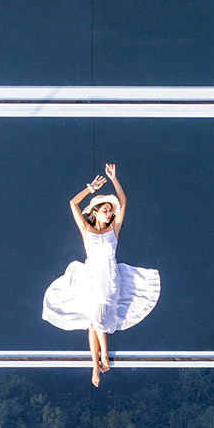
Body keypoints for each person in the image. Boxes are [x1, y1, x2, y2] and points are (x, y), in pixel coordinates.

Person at [42, 163, 160, 386]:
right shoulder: (87, 231)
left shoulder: (113, 231)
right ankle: (98, 363)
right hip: (90, 277)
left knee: (98, 319)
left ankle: (101, 359)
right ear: (95, 211)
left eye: (110, 212)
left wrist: (115, 180)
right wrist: (91, 188)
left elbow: (123, 202)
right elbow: (73, 203)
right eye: (105, 210)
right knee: (93, 321)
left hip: (109, 277)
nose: (109, 214)